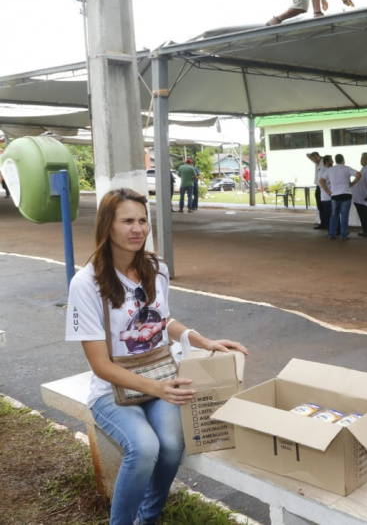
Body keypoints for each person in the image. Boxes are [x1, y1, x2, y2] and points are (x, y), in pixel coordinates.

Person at [65, 188, 248, 525]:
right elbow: (100, 365)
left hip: (162, 377)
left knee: (170, 444)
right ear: (107, 226)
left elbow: (163, 320)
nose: (137, 229)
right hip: (113, 392)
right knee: (144, 448)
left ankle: (147, 518)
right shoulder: (86, 284)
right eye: (127, 221)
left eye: (142, 221)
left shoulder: (156, 268)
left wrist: (202, 340)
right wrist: (158, 389)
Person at [319, 154, 361, 240]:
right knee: (344, 215)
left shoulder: (330, 170)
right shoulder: (347, 168)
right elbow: (359, 174)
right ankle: (343, 234)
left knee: (334, 215)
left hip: (334, 195)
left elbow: (321, 181)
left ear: (335, 160)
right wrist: (353, 183)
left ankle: (331, 233)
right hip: (346, 194)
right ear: (343, 160)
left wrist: (327, 191)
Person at [307, 151, 328, 229]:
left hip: (324, 186)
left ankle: (327, 223)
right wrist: (314, 158)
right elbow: (307, 155)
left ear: (319, 156)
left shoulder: (323, 162)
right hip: (318, 186)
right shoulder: (316, 162)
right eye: (313, 158)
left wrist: (321, 158)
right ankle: (323, 223)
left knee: (325, 206)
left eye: (316, 158)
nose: (315, 160)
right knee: (320, 206)